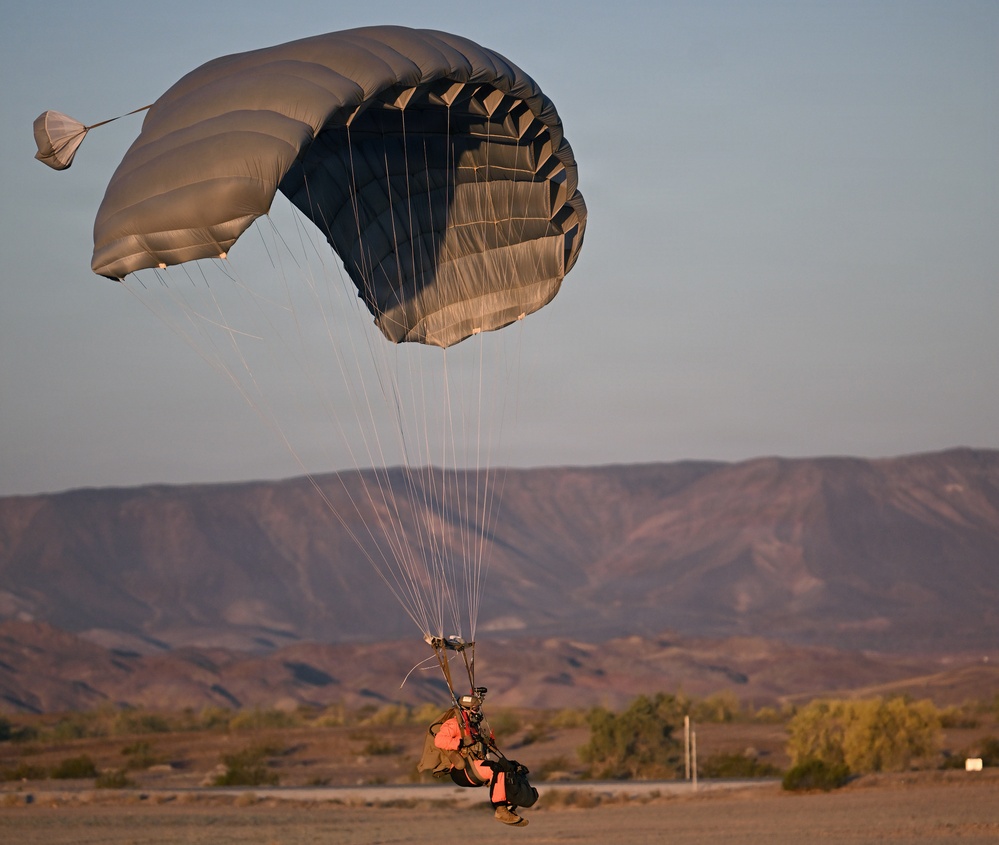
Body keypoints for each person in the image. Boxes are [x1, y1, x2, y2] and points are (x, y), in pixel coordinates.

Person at [417, 693, 536, 826]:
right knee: (496, 769)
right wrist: (461, 742)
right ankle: (500, 809)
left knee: (508, 769)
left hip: (474, 767)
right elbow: (439, 740)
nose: (477, 711)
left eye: (477, 708)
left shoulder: (472, 726)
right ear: (465, 710)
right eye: (474, 709)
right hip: (464, 771)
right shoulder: (454, 723)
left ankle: (508, 807)